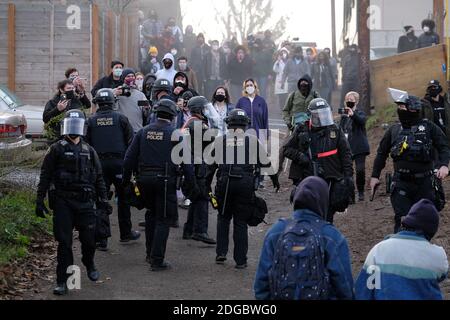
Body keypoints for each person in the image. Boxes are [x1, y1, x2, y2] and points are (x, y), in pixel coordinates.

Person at [35, 109, 111, 295]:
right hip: (63, 202)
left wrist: (103, 199)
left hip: (85, 203)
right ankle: (63, 280)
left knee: (89, 240)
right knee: (64, 243)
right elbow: (45, 175)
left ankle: (89, 262)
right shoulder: (56, 149)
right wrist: (39, 199)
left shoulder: (89, 151)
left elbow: (99, 177)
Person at [254, 176, 354, 300]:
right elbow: (345, 287)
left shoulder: (276, 232)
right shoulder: (332, 237)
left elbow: (261, 284)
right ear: (324, 201)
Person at [207, 109, 280, 269]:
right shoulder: (252, 141)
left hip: (224, 184)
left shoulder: (221, 141)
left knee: (223, 217)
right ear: (246, 125)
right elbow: (266, 163)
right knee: (240, 222)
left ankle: (221, 253)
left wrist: (206, 186)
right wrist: (275, 180)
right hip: (245, 184)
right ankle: (241, 261)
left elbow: (210, 167)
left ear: (229, 124)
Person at [370, 89, 450, 233]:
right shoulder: (394, 130)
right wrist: (375, 176)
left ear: (413, 109)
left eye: (402, 107)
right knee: (402, 220)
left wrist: (444, 165)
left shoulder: (429, 128)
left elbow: (444, 147)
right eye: (399, 108)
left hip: (425, 183)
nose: (400, 110)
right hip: (401, 182)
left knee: (424, 222)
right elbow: (381, 153)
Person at [123, 99, 181, 271]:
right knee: (163, 219)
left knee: (151, 215)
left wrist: (125, 182)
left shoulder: (143, 132)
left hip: (144, 180)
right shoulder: (175, 133)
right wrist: (192, 185)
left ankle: (149, 254)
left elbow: (129, 159)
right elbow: (186, 163)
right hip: (165, 181)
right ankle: (157, 260)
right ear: (172, 115)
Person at [355, 199, 448, 300]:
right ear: (431, 231)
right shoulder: (437, 255)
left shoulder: (378, 250)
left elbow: (364, 290)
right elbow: (442, 273)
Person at [282, 98, 354, 223]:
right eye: (318, 115)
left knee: (327, 216)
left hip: (331, 179)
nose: (322, 118)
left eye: (324, 114)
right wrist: (300, 156)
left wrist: (348, 178)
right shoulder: (302, 129)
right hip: (307, 179)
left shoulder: (335, 130)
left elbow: (346, 155)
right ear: (310, 116)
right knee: (308, 213)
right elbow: (286, 149)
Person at [86, 88, 139, 249]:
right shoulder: (121, 119)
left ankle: (102, 240)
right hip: (119, 164)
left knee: (101, 200)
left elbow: (86, 145)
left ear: (97, 103)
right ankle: (125, 233)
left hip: (99, 165)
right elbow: (131, 143)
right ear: (112, 102)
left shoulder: (91, 121)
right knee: (123, 199)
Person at [181, 96, 219, 245]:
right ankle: (200, 231)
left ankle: (189, 229)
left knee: (196, 196)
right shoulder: (198, 125)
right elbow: (211, 140)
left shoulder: (191, 123)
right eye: (204, 108)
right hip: (197, 166)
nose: (207, 111)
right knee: (203, 197)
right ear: (199, 109)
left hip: (190, 165)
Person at [339, 92, 370, 201]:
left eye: (351, 99)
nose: (349, 101)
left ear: (356, 101)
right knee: (347, 172)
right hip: (347, 147)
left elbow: (361, 122)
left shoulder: (360, 113)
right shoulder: (344, 116)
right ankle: (350, 194)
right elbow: (340, 130)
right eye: (347, 99)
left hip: (359, 146)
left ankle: (361, 192)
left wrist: (352, 114)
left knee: (360, 170)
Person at [113, 68, 148, 133]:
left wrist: (146, 107)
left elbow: (145, 111)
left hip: (136, 129)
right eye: (128, 76)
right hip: (122, 130)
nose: (131, 78)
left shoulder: (140, 94)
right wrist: (115, 95)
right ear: (123, 78)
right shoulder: (119, 91)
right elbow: (112, 107)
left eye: (132, 76)